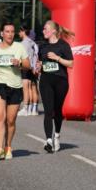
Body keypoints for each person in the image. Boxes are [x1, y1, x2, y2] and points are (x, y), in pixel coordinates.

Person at [0, 22, 31, 160]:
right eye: (7, 31)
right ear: (2, 34)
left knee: (10, 120)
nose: (9, 34)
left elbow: (28, 65)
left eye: (12, 31)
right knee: (0, 116)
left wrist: (19, 63)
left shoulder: (19, 47)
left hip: (15, 86)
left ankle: (8, 146)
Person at [37, 21, 75, 153]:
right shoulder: (42, 46)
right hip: (46, 80)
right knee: (48, 111)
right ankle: (48, 140)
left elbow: (70, 64)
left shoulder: (63, 45)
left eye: (45, 29)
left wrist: (57, 58)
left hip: (60, 81)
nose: (43, 31)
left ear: (53, 31)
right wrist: (38, 66)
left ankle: (57, 135)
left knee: (57, 111)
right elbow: (40, 62)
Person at [18, 24, 39, 116]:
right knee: (33, 88)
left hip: (26, 67)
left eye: (19, 31)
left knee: (26, 88)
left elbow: (24, 57)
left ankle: (26, 108)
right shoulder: (33, 42)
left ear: (23, 31)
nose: (18, 33)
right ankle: (33, 109)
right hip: (34, 67)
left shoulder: (23, 43)